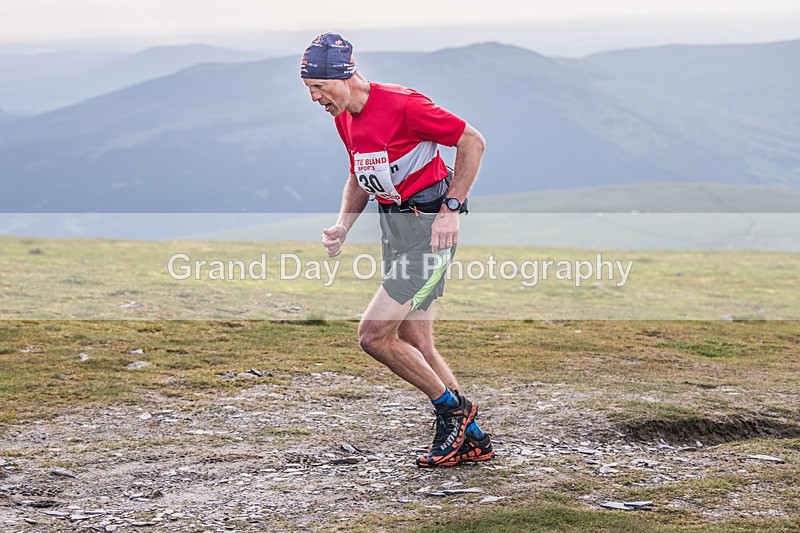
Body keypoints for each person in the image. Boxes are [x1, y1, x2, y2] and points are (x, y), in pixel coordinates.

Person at [300, 33, 494, 467]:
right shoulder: (344, 117)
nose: (314, 98)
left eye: (319, 87)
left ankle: (451, 412)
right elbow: (359, 174)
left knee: (373, 335)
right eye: (308, 89)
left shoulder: (404, 105)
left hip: (430, 230)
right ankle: (474, 438)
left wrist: (452, 207)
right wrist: (342, 226)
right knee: (413, 338)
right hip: (396, 228)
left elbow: (472, 141)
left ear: (346, 75)